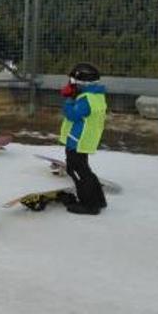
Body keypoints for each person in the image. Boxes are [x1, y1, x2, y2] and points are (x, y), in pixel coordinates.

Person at [58, 63, 108, 215]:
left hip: (77, 142)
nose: (69, 84)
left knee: (76, 171)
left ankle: (89, 205)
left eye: (72, 82)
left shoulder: (86, 99)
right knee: (85, 170)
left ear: (81, 83)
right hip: (85, 140)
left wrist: (68, 99)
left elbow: (72, 115)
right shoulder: (96, 96)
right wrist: (74, 96)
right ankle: (98, 199)